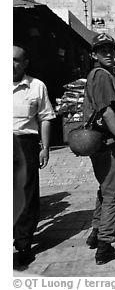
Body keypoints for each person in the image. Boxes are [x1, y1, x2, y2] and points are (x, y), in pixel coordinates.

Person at [83, 33, 115, 265]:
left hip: (100, 142)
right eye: (103, 51)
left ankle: (96, 232)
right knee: (114, 192)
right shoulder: (102, 76)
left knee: (105, 188)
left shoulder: (99, 75)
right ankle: (105, 245)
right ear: (94, 54)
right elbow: (107, 111)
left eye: (111, 50)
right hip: (108, 143)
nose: (109, 54)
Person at [13, 44, 56, 266]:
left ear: (25, 63)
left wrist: (45, 147)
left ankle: (23, 244)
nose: (11, 65)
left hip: (25, 143)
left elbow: (46, 117)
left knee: (26, 194)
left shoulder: (36, 86)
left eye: (16, 60)